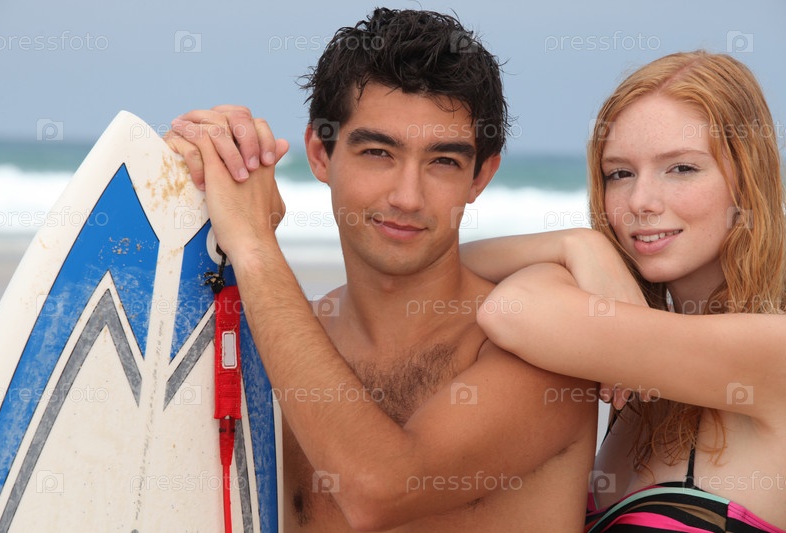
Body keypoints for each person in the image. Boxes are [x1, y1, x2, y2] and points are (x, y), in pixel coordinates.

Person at [165, 8, 602, 531]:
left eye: (443, 161)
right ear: (319, 154)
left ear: (481, 176)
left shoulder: (540, 353)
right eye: (378, 152)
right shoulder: (273, 344)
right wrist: (182, 177)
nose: (407, 197)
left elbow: (379, 488)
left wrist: (254, 242)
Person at [463, 51, 786, 531]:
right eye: (620, 173)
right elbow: (449, 271)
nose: (640, 202)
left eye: (681, 168)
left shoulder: (773, 350)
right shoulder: (638, 367)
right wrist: (578, 243)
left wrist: (578, 251)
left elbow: (511, 310)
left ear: (747, 177)